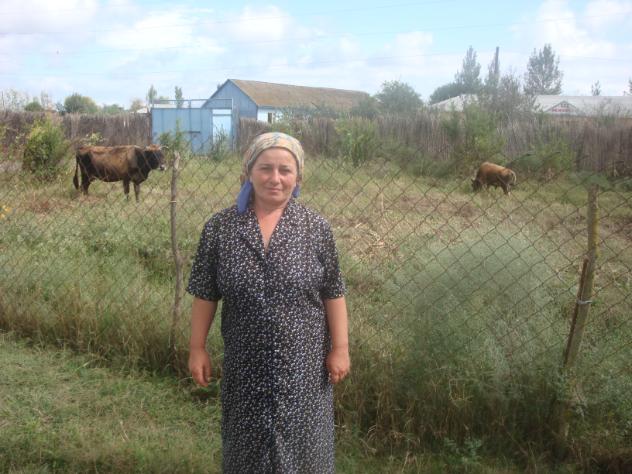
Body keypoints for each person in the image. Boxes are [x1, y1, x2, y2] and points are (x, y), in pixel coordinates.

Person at [187, 132, 350, 473]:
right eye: (265, 168)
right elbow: (205, 292)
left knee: (306, 454)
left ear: (298, 177)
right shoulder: (220, 228)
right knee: (246, 453)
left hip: (304, 368)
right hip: (245, 366)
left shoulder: (316, 228)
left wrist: (341, 348)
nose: (275, 178)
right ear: (249, 171)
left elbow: (333, 292)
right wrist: (197, 348)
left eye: (285, 170)